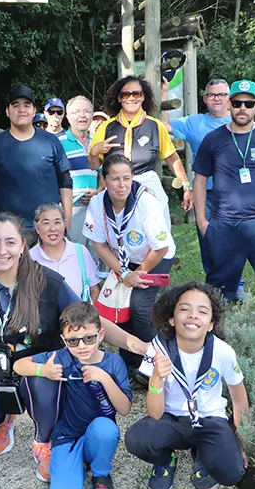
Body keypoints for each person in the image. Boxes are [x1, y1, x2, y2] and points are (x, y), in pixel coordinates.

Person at [0, 213, 148, 475]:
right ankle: (4, 416)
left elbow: (90, 320)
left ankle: (44, 440)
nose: (2, 251)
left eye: (10, 242)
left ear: (23, 245)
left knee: (46, 375)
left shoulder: (47, 282)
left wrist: (136, 344)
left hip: (40, 371)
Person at [125, 282, 248, 489]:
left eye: (202, 311)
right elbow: (154, 413)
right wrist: (155, 378)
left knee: (232, 472)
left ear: (211, 324)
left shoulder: (223, 352)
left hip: (210, 420)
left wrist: (243, 442)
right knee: (137, 439)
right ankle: (166, 460)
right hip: (171, 420)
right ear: (171, 319)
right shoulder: (159, 348)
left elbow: (238, 399)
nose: (193, 315)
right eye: (184, 309)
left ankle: (202, 454)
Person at [13, 303, 132, 489]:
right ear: (64, 340)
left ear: (101, 335)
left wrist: (105, 379)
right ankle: (77, 461)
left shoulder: (113, 362)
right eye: (73, 341)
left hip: (98, 431)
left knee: (106, 428)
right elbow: (19, 365)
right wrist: (44, 370)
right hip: (67, 434)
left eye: (89, 338)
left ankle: (100, 472)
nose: (82, 346)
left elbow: (125, 409)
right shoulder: (62, 356)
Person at [193, 80, 255, 306]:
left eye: (248, 104)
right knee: (218, 293)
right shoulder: (213, 139)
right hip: (224, 225)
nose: (242, 108)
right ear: (229, 104)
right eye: (237, 103)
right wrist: (202, 221)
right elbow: (199, 181)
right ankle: (215, 336)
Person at [83, 154, 175, 373]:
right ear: (104, 181)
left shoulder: (145, 202)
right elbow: (99, 243)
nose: (122, 185)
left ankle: (158, 362)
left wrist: (138, 273)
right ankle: (130, 364)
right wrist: (124, 273)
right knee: (119, 305)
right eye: (115, 179)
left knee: (140, 307)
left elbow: (161, 247)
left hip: (155, 257)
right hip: (125, 260)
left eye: (127, 178)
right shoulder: (98, 202)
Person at [89, 75, 193, 225]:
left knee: (157, 235)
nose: (131, 98)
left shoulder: (155, 126)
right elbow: (93, 165)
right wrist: (94, 151)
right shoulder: (106, 127)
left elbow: (172, 158)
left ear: (143, 97)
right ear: (119, 98)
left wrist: (187, 187)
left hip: (147, 186)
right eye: (126, 94)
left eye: (136, 94)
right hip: (116, 188)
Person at [0, 85, 73, 237]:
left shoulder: (51, 142)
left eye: (27, 105)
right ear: (8, 112)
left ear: (34, 111)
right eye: (16, 105)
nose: (21, 109)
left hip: (47, 228)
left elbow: (65, 181)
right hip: (7, 228)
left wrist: (67, 219)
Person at [165, 79, 233, 278]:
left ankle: (236, 285)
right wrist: (164, 94)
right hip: (206, 192)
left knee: (232, 239)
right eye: (212, 94)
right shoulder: (194, 122)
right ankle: (213, 284)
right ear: (205, 98)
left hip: (235, 192)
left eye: (221, 95)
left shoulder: (240, 120)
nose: (216, 99)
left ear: (229, 98)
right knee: (207, 239)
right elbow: (165, 126)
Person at [29, 203, 100, 303]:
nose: (53, 229)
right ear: (37, 228)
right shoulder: (30, 258)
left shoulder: (80, 252)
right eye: (46, 223)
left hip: (77, 316)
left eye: (57, 222)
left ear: (65, 224)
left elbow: (95, 290)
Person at [57, 95, 101, 248]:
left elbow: (103, 174)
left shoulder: (97, 143)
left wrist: (98, 191)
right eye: (76, 112)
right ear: (68, 117)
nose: (82, 115)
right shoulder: (58, 143)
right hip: (72, 207)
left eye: (87, 111)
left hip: (96, 206)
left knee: (97, 253)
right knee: (74, 252)